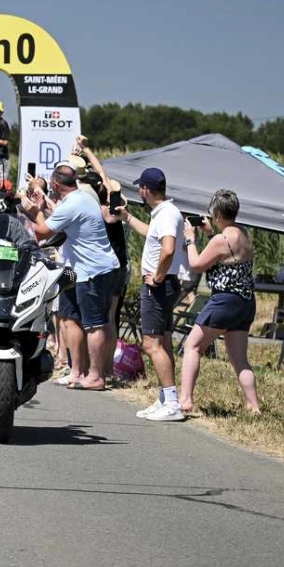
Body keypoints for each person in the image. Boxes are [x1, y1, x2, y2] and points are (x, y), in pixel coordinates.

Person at [21, 163, 121, 391]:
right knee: (84, 320)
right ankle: (86, 372)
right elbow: (62, 219)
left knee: (94, 325)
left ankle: (95, 376)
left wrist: (32, 212)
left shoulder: (73, 204)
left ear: (55, 184)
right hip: (92, 269)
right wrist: (43, 208)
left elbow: (42, 232)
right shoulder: (83, 198)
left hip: (92, 271)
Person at [117, 167, 191, 422]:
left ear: (145, 189)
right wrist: (127, 217)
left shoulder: (167, 214)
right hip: (165, 284)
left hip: (159, 285)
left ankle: (172, 402)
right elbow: (152, 234)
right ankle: (165, 398)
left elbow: (168, 249)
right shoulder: (164, 213)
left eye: (140, 187)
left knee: (151, 344)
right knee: (164, 341)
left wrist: (157, 277)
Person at [180, 189, 259, 415]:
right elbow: (226, 256)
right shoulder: (243, 233)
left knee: (193, 346)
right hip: (245, 302)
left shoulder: (221, 239)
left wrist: (190, 239)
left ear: (216, 213)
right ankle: (254, 407)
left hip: (225, 300)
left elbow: (196, 264)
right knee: (240, 360)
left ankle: (185, 400)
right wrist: (209, 233)